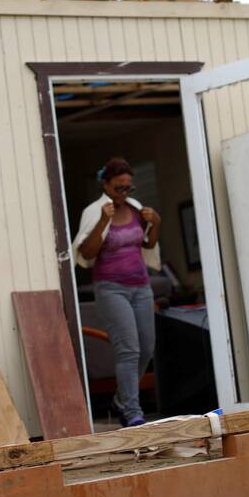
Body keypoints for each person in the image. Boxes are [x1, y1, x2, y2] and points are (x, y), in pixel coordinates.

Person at [72, 157, 162, 427]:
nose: (124, 193)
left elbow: (148, 243)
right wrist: (102, 221)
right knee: (128, 350)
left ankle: (122, 400)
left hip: (141, 286)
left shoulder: (135, 209)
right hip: (112, 288)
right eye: (118, 188)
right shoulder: (96, 211)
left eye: (128, 188)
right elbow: (86, 254)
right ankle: (132, 411)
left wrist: (155, 223)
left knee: (147, 347)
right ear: (106, 185)